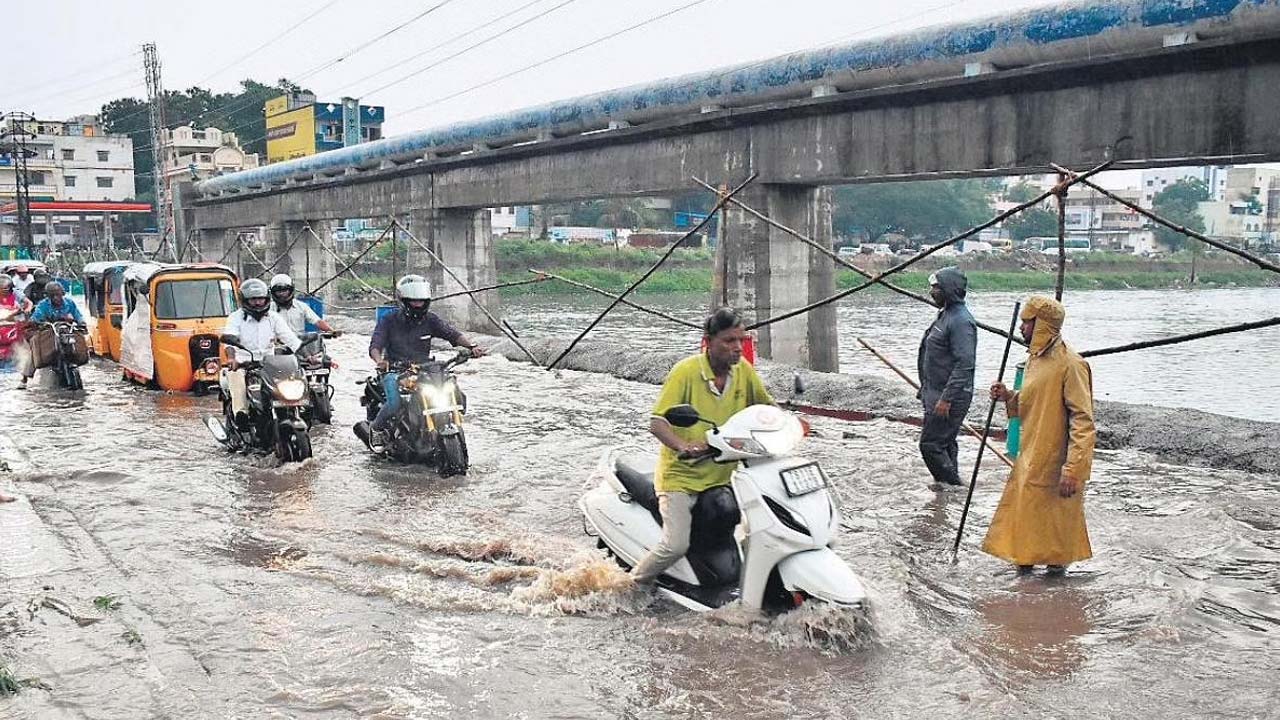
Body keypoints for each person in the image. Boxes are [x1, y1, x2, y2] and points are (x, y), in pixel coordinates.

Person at [631, 308, 774, 585]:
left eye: (740, 340)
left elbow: (765, 406)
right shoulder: (685, 372)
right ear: (708, 341)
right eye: (729, 341)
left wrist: (790, 422)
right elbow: (657, 422)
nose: (737, 348)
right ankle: (631, 583)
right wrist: (683, 445)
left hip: (724, 475)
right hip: (683, 477)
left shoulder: (743, 370)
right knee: (675, 545)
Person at [982, 296, 1095, 576]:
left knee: (1055, 545)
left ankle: (1055, 601)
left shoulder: (1072, 364)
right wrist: (1008, 396)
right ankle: (1025, 599)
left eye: (1026, 322)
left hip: (1057, 464)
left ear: (1042, 324)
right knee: (1025, 538)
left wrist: (1074, 469)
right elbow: (1035, 403)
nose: (1021, 328)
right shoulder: (1035, 360)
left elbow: (1083, 421)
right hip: (1031, 458)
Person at [356, 274, 487, 447]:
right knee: (394, 403)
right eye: (414, 301)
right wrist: (379, 361)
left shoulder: (430, 319)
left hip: (425, 369)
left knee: (454, 390)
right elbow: (376, 344)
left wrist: (471, 347)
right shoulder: (388, 320)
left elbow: (452, 334)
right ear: (403, 300)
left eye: (422, 301)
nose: (418, 304)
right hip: (395, 370)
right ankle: (377, 430)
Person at [916, 267, 978, 487]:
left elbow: (965, 364)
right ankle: (946, 495)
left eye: (936, 288)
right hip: (935, 392)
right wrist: (925, 388)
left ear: (948, 290)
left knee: (930, 445)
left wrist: (946, 398)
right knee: (945, 442)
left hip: (949, 398)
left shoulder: (961, 322)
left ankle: (953, 487)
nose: (932, 292)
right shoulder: (946, 315)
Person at [221, 278, 301, 425]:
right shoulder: (235, 318)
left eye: (261, 299)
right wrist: (232, 359)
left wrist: (306, 356)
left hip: (269, 364)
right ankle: (241, 414)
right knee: (235, 377)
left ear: (267, 299)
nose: (258, 303)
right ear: (245, 300)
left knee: (290, 385)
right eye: (253, 300)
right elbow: (229, 342)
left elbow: (291, 340)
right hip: (242, 363)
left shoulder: (274, 318)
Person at [268, 273, 339, 336]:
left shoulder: (301, 306)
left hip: (299, 343)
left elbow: (317, 321)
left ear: (291, 290)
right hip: (277, 345)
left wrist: (332, 332)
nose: (282, 294)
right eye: (278, 291)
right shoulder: (269, 309)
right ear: (273, 293)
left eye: (284, 291)